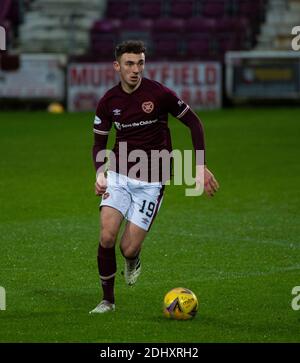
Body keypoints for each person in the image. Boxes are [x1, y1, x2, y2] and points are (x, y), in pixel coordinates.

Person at [89, 40, 219, 313]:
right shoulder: (108, 102)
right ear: (117, 66)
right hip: (120, 176)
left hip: (152, 182)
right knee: (107, 236)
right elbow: (99, 144)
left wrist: (198, 165)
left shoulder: (159, 94)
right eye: (129, 64)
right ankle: (107, 301)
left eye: (140, 63)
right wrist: (100, 173)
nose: (135, 69)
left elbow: (194, 122)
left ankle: (132, 259)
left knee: (127, 248)